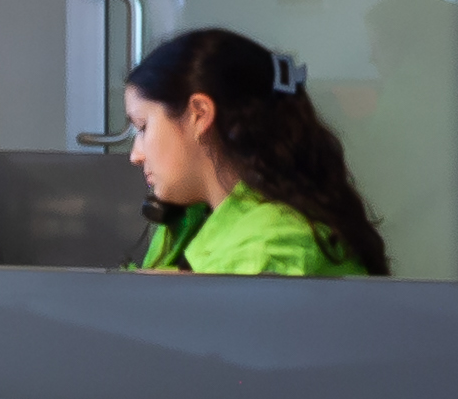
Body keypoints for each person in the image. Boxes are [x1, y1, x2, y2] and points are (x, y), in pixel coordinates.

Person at [120, 24, 388, 278]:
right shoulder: (192, 219)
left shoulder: (271, 246)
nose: (136, 155)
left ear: (199, 114)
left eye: (143, 127)